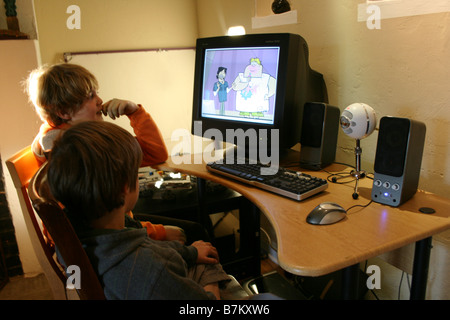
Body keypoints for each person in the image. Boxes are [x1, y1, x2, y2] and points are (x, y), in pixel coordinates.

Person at [25, 63, 209, 244]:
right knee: (195, 231)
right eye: (90, 96)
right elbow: (99, 227)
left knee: (191, 221)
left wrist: (134, 112)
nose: (99, 100)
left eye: (96, 93)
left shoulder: (56, 135)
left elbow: (155, 155)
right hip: (104, 240)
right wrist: (156, 232)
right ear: (64, 111)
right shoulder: (73, 149)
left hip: (111, 226)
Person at [46, 121, 230, 299]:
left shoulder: (69, 239)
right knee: (212, 268)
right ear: (124, 187)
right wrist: (210, 278)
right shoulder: (152, 269)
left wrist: (190, 253)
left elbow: (152, 247)